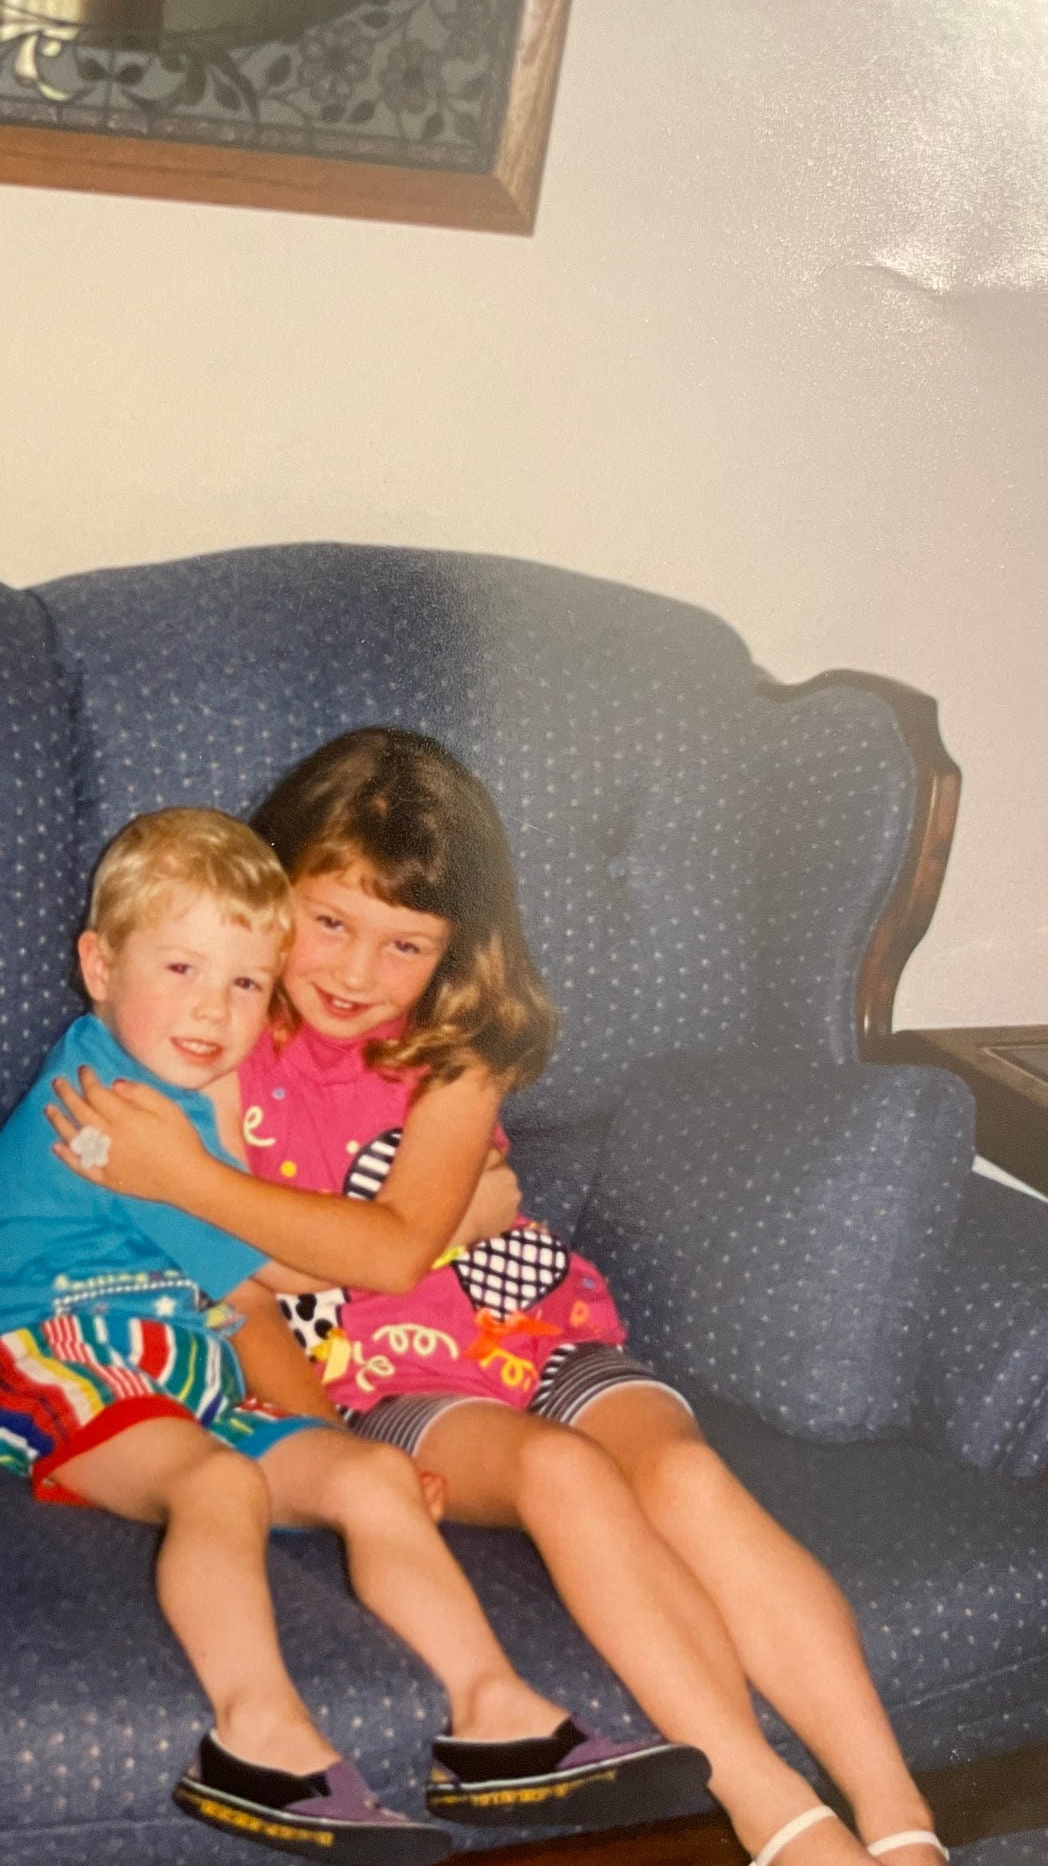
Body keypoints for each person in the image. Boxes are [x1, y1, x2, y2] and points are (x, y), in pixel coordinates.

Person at [46, 737, 948, 1866]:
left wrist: (195, 1183)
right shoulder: (204, 1036)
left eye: (405, 943)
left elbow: (389, 1250)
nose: (358, 972)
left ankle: (904, 1824)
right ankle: (776, 1813)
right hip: (385, 1378)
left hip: (529, 1322)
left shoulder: (454, 1050)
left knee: (683, 1471)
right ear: (272, 892)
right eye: (329, 922)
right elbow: (248, 1302)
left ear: (454, 946)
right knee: (558, 1470)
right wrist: (331, 1453)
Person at [0, 805, 707, 1866]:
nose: (212, 1011)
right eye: (178, 969)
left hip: (188, 1367)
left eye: (245, 983)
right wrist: (463, 1220)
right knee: (216, 1487)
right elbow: (291, 1268)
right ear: (97, 963)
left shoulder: (200, 1090)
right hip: (57, 1358)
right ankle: (253, 1737)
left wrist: (346, 1442)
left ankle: (494, 1717)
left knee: (374, 1482)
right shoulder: (110, 1111)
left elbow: (248, 1284)